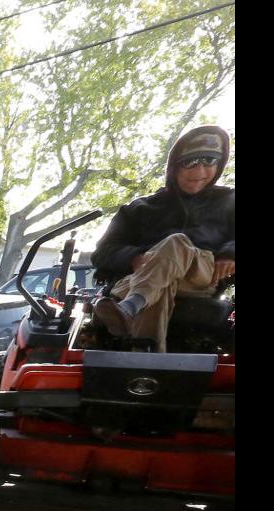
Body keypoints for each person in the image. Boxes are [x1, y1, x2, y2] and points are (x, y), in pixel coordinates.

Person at [91, 126, 234, 349]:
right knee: (160, 285)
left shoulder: (230, 201)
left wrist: (230, 254)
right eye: (190, 162)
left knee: (176, 243)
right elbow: (103, 252)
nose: (200, 170)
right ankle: (149, 363)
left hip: (201, 275)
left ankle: (130, 306)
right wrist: (134, 257)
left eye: (209, 161)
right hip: (142, 275)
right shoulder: (139, 208)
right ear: (174, 166)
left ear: (219, 163)